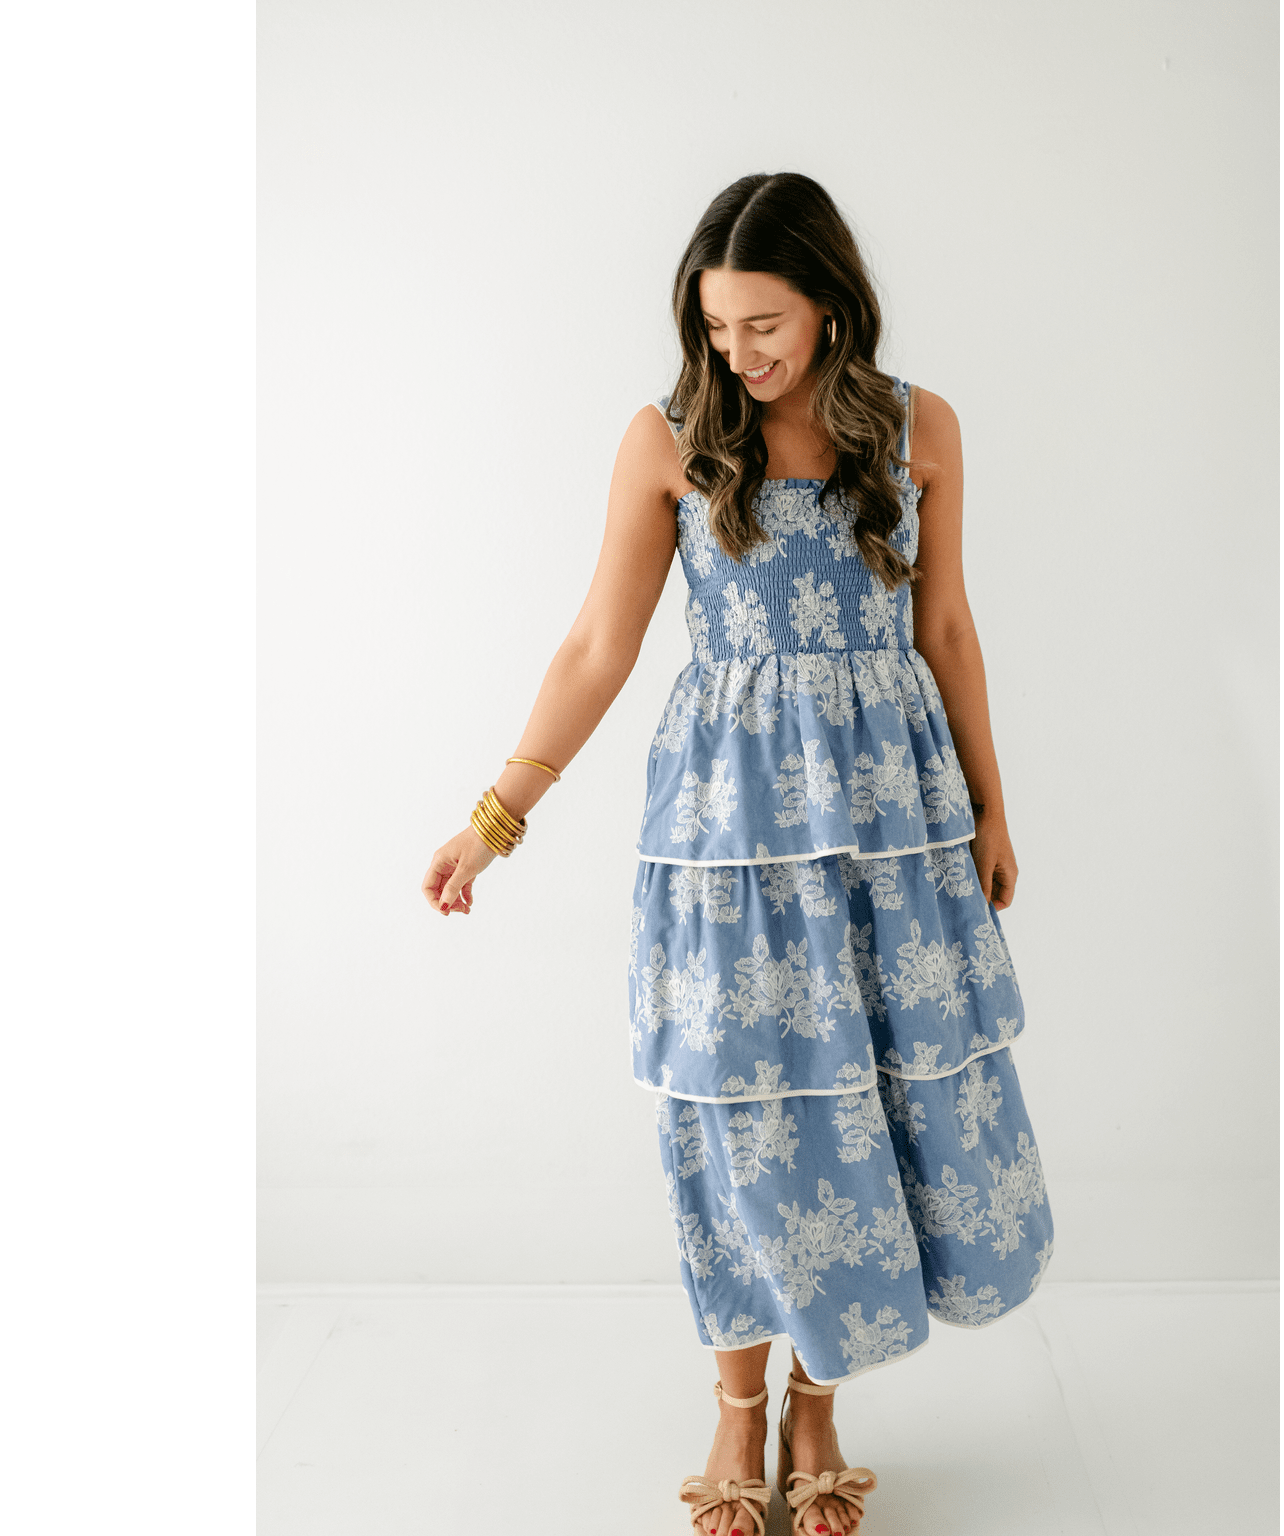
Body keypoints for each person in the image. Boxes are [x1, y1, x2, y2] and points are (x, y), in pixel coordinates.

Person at [422, 172, 1053, 1536]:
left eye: (763, 323)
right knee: (741, 1109)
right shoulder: (668, 442)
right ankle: (735, 1401)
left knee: (868, 1102)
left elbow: (946, 629)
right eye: (717, 327)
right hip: (730, 836)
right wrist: (495, 820)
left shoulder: (920, 428)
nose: (739, 352)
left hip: (891, 827)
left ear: (831, 304)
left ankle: (818, 1404)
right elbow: (598, 646)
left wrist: (992, 809)